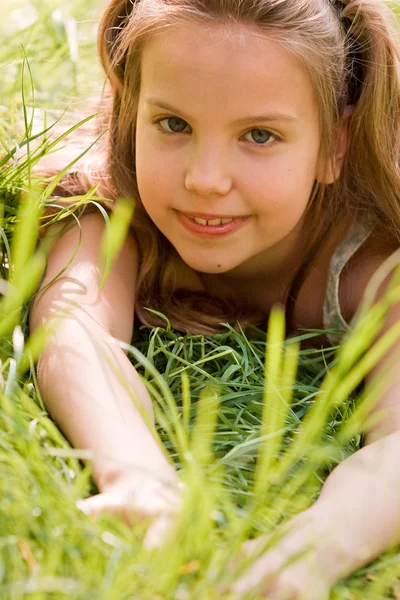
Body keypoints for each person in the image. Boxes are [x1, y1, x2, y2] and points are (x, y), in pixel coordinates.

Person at [29, 0, 400, 597]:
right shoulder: (112, 204)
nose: (205, 179)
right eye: (173, 125)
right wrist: (137, 475)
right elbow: (76, 329)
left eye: (259, 135)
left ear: (336, 144)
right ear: (130, 112)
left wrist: (322, 541)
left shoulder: (374, 263)